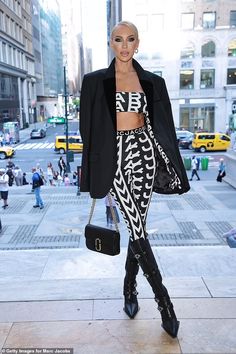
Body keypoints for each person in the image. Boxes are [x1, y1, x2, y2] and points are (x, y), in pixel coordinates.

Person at [79, 21, 190, 339]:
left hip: (143, 153)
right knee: (137, 227)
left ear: (137, 44)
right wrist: (93, 171)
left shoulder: (153, 82)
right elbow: (88, 131)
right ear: (110, 43)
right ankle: (165, 303)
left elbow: (164, 126)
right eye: (118, 39)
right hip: (113, 155)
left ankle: (129, 285)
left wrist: (168, 163)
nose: (124, 45)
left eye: (130, 40)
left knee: (136, 223)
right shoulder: (94, 82)